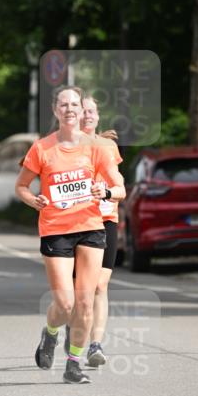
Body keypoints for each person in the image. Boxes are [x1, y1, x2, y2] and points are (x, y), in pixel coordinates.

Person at [15, 86, 125, 384]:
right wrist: (32, 199)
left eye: (74, 104)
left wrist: (105, 191)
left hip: (91, 227)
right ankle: (50, 333)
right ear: (55, 110)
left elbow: (120, 189)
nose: (70, 109)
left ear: (80, 109)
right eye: (64, 104)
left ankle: (73, 363)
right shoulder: (42, 148)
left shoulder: (97, 146)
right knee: (65, 304)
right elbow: (22, 186)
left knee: (86, 301)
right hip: (56, 230)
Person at [76, 96, 124, 367]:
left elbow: (116, 179)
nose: (87, 116)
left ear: (98, 115)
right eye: (82, 111)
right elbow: (35, 165)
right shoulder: (63, 144)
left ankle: (95, 345)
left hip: (106, 218)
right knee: (76, 292)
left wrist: (112, 190)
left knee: (100, 284)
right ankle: (64, 326)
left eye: (92, 111)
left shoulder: (108, 146)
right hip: (76, 223)